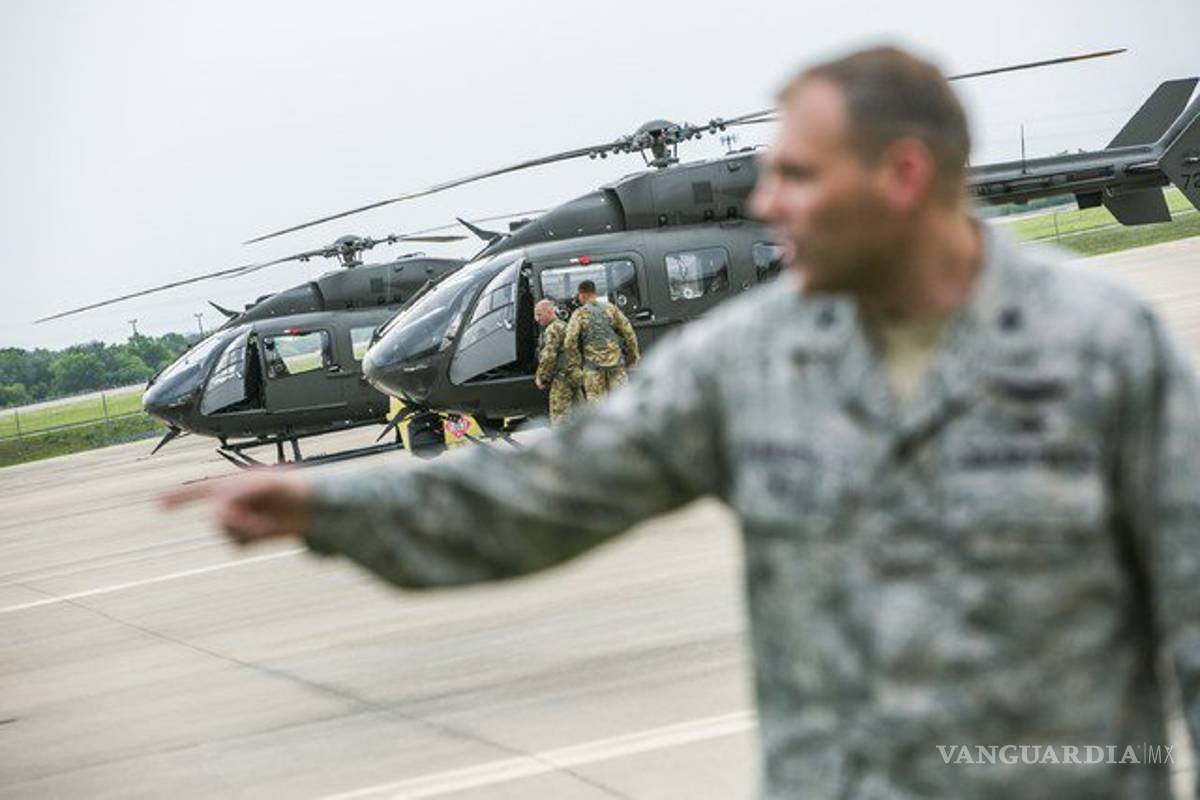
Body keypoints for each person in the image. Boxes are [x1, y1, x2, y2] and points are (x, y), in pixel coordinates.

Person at [164, 46, 1200, 799]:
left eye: (797, 176)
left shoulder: (1097, 344)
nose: (769, 204)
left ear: (903, 177)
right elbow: (536, 495)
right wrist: (326, 504)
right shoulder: (749, 360)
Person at [563, 279, 640, 402]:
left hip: (593, 369)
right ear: (595, 293)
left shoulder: (579, 314)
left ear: (581, 294)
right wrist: (632, 357)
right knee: (621, 406)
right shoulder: (612, 309)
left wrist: (576, 363)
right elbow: (629, 333)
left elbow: (569, 341)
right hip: (616, 367)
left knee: (598, 411)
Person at [532, 298, 578, 425]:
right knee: (580, 413)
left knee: (559, 418)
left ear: (549, 312)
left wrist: (541, 377)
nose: (537, 318)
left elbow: (549, 355)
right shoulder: (564, 325)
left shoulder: (552, 329)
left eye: (539, 314)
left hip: (562, 378)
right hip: (575, 375)